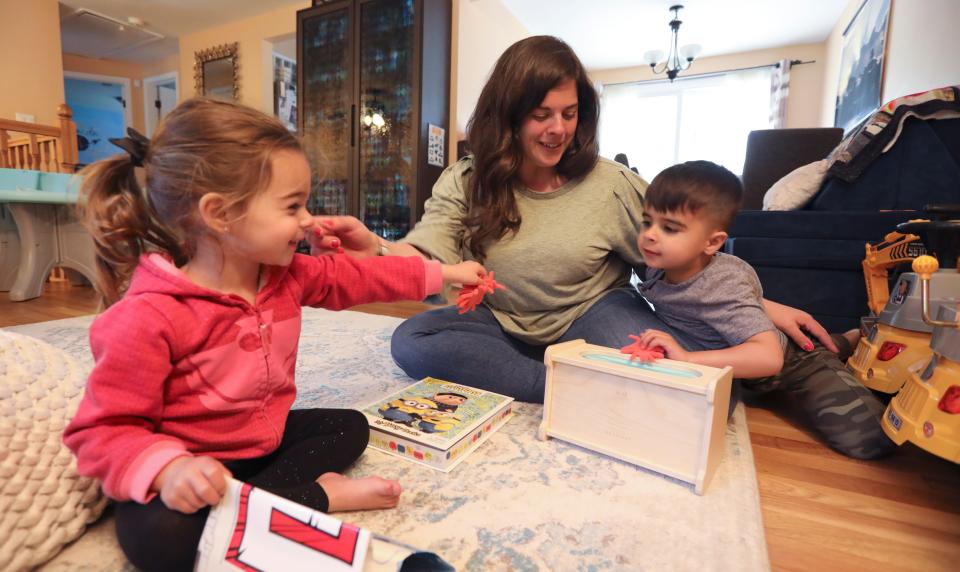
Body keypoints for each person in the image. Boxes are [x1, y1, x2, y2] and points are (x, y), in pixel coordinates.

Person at [62, 98, 486, 571]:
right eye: (292, 206)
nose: (308, 220)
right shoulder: (149, 316)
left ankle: (267, 504)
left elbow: (362, 279)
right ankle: (316, 498)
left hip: (261, 446)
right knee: (159, 537)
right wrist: (168, 468)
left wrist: (445, 272)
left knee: (350, 426)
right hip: (195, 469)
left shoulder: (286, 275)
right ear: (220, 214)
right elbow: (102, 432)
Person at [310, 35, 838, 404]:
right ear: (509, 116)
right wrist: (376, 250)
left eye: (569, 113)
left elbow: (682, 257)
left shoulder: (610, 183)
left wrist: (760, 305)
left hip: (595, 314)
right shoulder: (466, 180)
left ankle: (587, 374)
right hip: (501, 322)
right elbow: (426, 254)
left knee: (690, 384)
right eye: (542, 114)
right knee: (411, 342)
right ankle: (569, 385)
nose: (558, 129)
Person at [632, 160, 894, 459]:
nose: (650, 235)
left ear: (712, 242)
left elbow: (769, 357)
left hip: (791, 363)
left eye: (669, 228)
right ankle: (840, 340)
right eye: (646, 222)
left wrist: (688, 358)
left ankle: (844, 343)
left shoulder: (723, 283)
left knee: (870, 440)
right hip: (744, 368)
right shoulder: (658, 264)